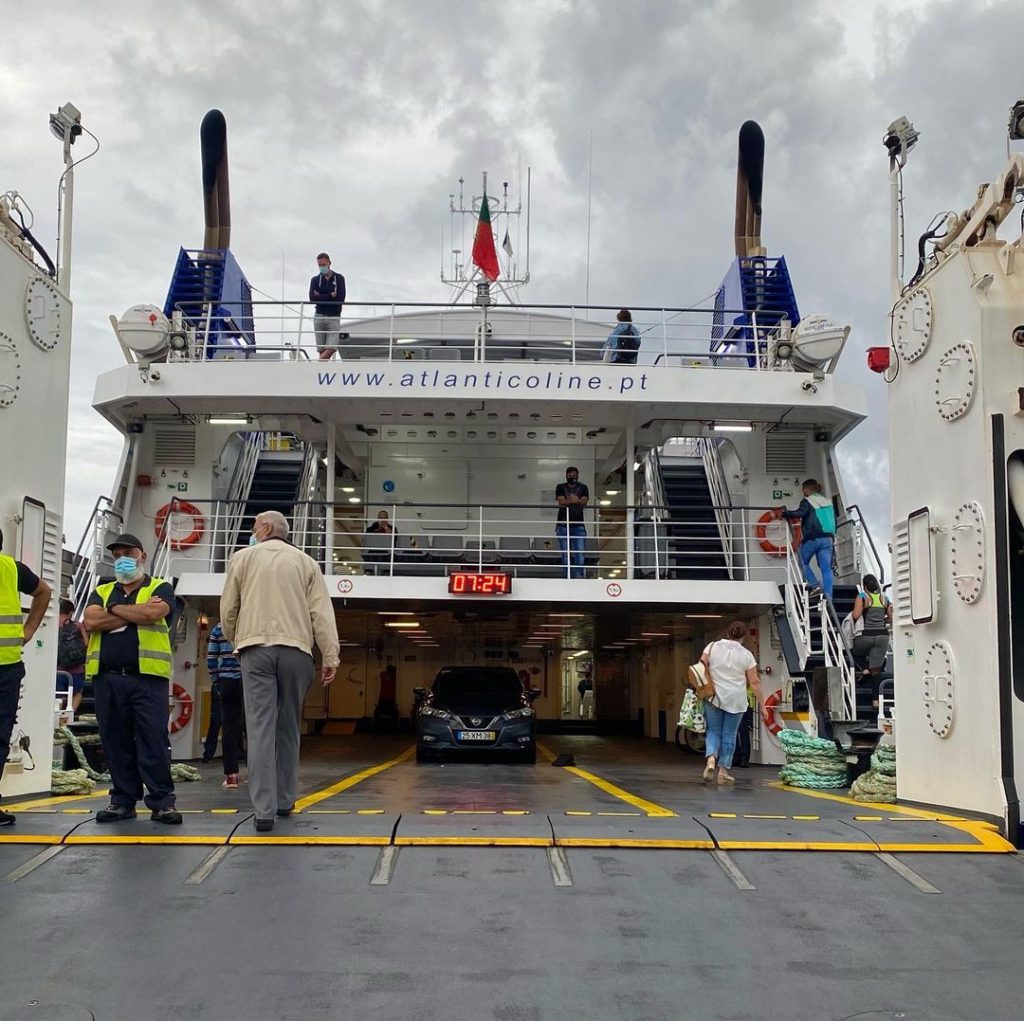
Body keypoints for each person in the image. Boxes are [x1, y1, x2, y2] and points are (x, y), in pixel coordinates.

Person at [220, 510, 340, 831]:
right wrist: (331, 655)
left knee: (259, 730)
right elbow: (321, 614)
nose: (252, 530)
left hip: (255, 649)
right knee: (288, 727)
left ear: (268, 528)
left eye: (255, 525)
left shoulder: (242, 558)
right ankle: (286, 801)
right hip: (296, 650)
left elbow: (228, 608)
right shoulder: (306, 563)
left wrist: (236, 639)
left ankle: (263, 811)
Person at [83, 533, 181, 825]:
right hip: (108, 678)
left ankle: (162, 802)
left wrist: (113, 609)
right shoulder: (101, 589)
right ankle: (122, 800)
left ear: (143, 556)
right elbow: (91, 621)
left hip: (147, 678)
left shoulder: (160, 587)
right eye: (117, 555)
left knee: (153, 739)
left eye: (128, 552)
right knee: (115, 740)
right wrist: (134, 614)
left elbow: (155, 612)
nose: (123, 559)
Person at [0, 530, 52, 827]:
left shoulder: (9, 568)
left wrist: (30, 629)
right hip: (6, 669)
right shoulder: (12, 568)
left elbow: (44, 591)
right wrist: (28, 629)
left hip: (7, 669)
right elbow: (43, 591)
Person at [699, 621, 768, 785]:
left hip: (713, 697)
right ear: (743, 636)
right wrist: (763, 706)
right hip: (736, 700)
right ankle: (723, 772)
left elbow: (701, 665)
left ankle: (710, 761)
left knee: (714, 731)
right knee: (729, 735)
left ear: (727, 633)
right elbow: (755, 682)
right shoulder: (747, 655)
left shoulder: (712, 647)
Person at [778, 478, 836, 600]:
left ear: (807, 489)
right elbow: (833, 520)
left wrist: (784, 513)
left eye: (803, 490)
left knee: (803, 562)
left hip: (813, 538)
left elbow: (800, 513)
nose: (803, 492)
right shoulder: (828, 502)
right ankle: (829, 597)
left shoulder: (808, 501)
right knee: (826, 569)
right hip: (828, 539)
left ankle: (814, 585)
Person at [206, 621, 244, 788]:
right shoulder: (251, 622)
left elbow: (212, 658)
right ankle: (259, 774)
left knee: (229, 728)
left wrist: (216, 681)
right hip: (250, 680)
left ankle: (231, 776)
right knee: (256, 727)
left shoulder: (218, 627)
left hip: (227, 681)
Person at [851, 574, 892, 710]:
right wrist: (881, 620)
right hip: (882, 637)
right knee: (877, 670)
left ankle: (865, 669)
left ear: (865, 586)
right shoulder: (884, 599)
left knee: (855, 651)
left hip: (866, 636)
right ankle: (876, 701)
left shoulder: (862, 597)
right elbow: (890, 619)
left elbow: (856, 615)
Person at [308, 252, 346, 361]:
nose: (322, 267)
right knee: (321, 349)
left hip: (333, 316)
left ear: (329, 263)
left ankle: (313, 367)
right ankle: (320, 373)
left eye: (323, 265)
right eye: (320, 265)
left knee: (331, 348)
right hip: (319, 316)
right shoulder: (315, 280)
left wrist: (320, 295)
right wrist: (330, 295)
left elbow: (340, 298)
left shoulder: (339, 279)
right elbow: (312, 298)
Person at [555, 466, 589, 579]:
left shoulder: (583, 487)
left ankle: (579, 576)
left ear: (577, 476)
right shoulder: (560, 487)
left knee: (580, 552)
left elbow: (584, 501)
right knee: (566, 554)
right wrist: (572, 501)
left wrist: (577, 501)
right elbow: (561, 501)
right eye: (570, 476)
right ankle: (567, 576)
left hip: (578, 525)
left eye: (574, 476)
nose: (572, 478)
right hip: (563, 525)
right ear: (566, 476)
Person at [56, 598, 87, 713]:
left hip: (59, 668)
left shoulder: (55, 626)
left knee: (57, 695)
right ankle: (69, 716)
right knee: (77, 692)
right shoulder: (78, 625)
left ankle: (57, 717)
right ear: (70, 612)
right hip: (77, 669)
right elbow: (86, 643)